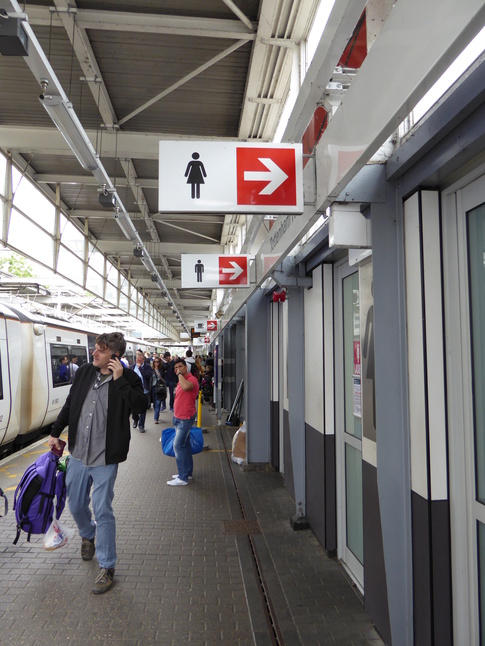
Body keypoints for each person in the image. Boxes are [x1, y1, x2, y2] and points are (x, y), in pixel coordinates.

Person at [47, 332, 147, 594]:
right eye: (95, 349)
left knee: (103, 509)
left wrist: (120, 381)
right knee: (77, 504)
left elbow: (140, 406)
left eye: (100, 350)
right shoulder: (84, 373)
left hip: (105, 458)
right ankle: (87, 534)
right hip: (79, 454)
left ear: (114, 356)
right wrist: (55, 433)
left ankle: (107, 565)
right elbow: (70, 404)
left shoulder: (129, 378)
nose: (94, 353)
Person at [167, 358, 199, 487]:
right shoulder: (182, 381)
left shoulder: (191, 380)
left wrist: (180, 374)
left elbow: (186, 388)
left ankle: (182, 477)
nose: (178, 369)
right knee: (185, 447)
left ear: (186, 367)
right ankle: (187, 473)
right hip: (178, 418)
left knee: (178, 446)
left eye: (180, 366)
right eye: (176, 368)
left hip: (185, 419)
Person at [129, 349, 153, 433]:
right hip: (134, 391)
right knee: (134, 409)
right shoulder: (132, 367)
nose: (138, 362)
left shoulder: (147, 367)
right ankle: (135, 419)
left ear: (143, 360)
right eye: (137, 360)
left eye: (140, 360)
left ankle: (141, 425)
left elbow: (148, 376)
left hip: (144, 391)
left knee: (143, 409)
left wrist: (140, 368)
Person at [151, 356, 165, 423]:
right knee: (154, 403)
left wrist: (163, 360)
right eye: (155, 362)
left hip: (159, 387)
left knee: (158, 403)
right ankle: (157, 414)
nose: (156, 363)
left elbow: (169, 365)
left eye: (158, 362)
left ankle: (155, 418)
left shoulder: (162, 369)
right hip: (153, 387)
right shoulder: (152, 370)